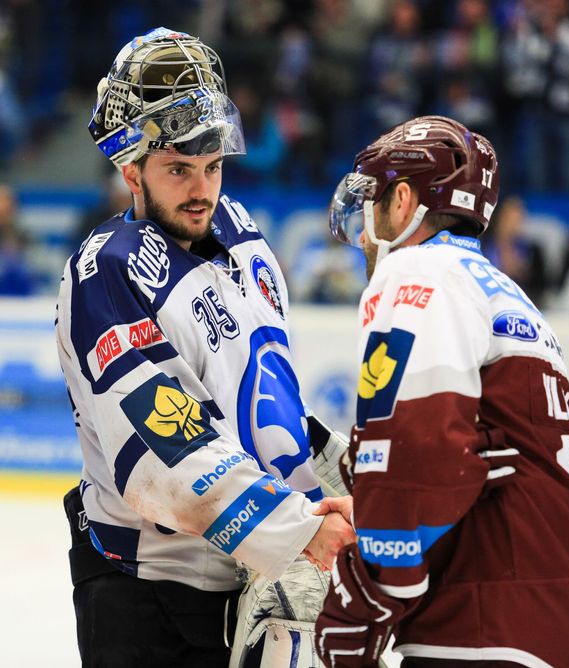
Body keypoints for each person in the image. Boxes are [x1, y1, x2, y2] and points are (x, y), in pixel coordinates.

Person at [55, 27, 356, 668]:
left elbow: (255, 397)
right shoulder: (109, 271)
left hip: (244, 578)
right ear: (130, 169)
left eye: (212, 165)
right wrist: (299, 531)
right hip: (145, 597)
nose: (202, 188)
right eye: (178, 169)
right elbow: (168, 448)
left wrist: (333, 471)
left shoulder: (242, 236)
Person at [314, 115, 569, 667]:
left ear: (404, 202)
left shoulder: (418, 271)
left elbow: (415, 449)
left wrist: (366, 597)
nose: (363, 234)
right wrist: (378, 504)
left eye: (372, 208)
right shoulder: (508, 297)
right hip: (562, 614)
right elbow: (469, 462)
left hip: (489, 627)